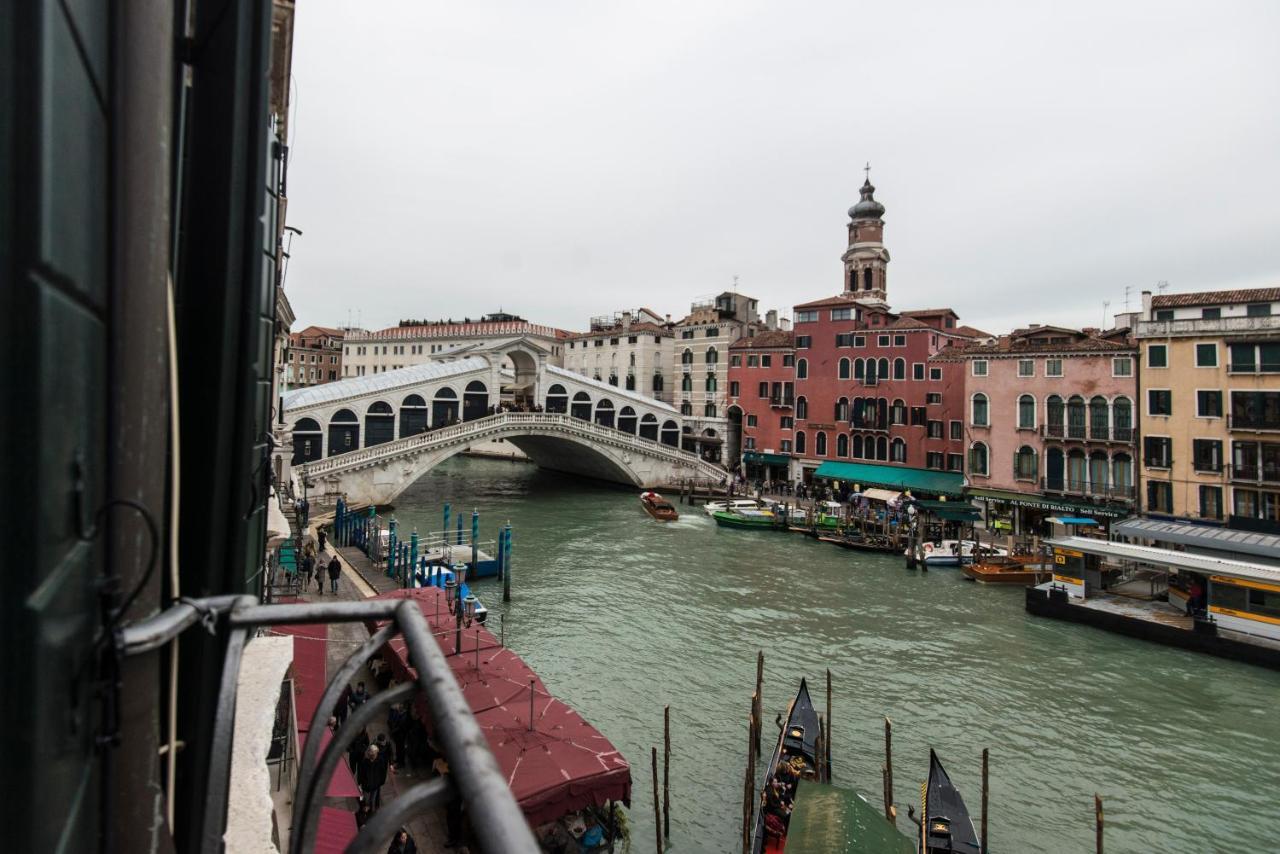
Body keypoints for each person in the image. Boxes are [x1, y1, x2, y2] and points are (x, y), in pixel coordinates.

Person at [357, 744, 389, 810]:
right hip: (366, 786)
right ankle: (366, 808)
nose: (375, 755)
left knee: (372, 799)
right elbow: (360, 773)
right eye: (373, 754)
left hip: (375, 785)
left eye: (375, 754)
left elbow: (383, 772)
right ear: (370, 754)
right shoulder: (364, 762)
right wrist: (360, 782)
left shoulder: (380, 761)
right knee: (366, 799)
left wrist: (381, 781)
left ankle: (371, 810)